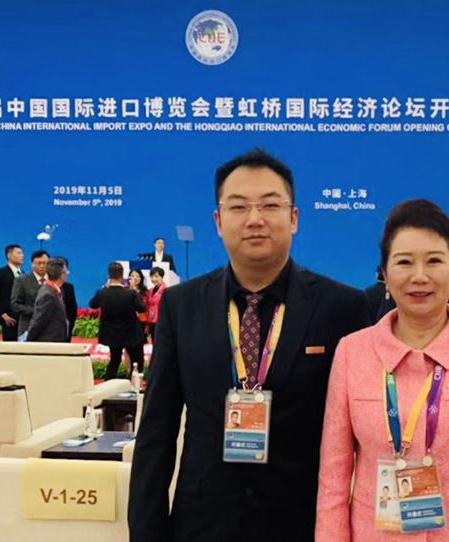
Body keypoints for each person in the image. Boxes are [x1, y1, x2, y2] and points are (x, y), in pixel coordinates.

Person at [128, 149, 370, 542]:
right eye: (239, 206)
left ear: (294, 218)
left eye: (270, 205)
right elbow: (157, 431)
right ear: (218, 222)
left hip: (304, 524)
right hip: (203, 525)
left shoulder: (342, 308)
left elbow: (365, 438)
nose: (255, 219)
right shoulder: (182, 305)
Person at [316, 199, 449, 542]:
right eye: (404, 262)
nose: (419, 276)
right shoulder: (351, 353)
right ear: (385, 274)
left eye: (434, 261)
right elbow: (333, 478)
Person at [89, 262, 146, 380]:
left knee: (115, 360)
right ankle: (131, 384)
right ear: (122, 276)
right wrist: (134, 291)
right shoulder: (130, 293)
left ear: (108, 276)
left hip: (111, 335)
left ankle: (108, 384)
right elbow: (141, 308)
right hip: (131, 334)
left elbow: (93, 304)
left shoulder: (102, 293)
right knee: (136, 362)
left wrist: (106, 287)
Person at [0, 244, 24, 341]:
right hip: (9, 320)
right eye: (19, 253)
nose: (22, 255)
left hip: (23, 320)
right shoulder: (1, 273)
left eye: (22, 253)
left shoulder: (24, 274)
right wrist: (3, 314)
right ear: (9, 255)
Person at [26, 258, 69, 342]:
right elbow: (38, 321)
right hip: (48, 342)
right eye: (66, 272)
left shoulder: (52, 290)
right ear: (62, 275)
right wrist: (28, 342)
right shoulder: (48, 295)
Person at [10, 250, 49, 338]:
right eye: (38, 263)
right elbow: (15, 304)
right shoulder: (21, 281)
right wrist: (36, 312)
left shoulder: (54, 280)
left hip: (50, 329)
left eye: (44, 263)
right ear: (32, 264)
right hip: (27, 327)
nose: (42, 266)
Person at [55, 256, 78, 341]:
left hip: (65, 328)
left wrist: (70, 325)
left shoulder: (68, 287)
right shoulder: (45, 287)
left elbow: (72, 308)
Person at [147, 267, 166, 341]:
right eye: (152, 277)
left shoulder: (166, 291)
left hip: (161, 322)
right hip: (151, 322)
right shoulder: (150, 291)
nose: (154, 279)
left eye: (156, 276)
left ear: (162, 277)